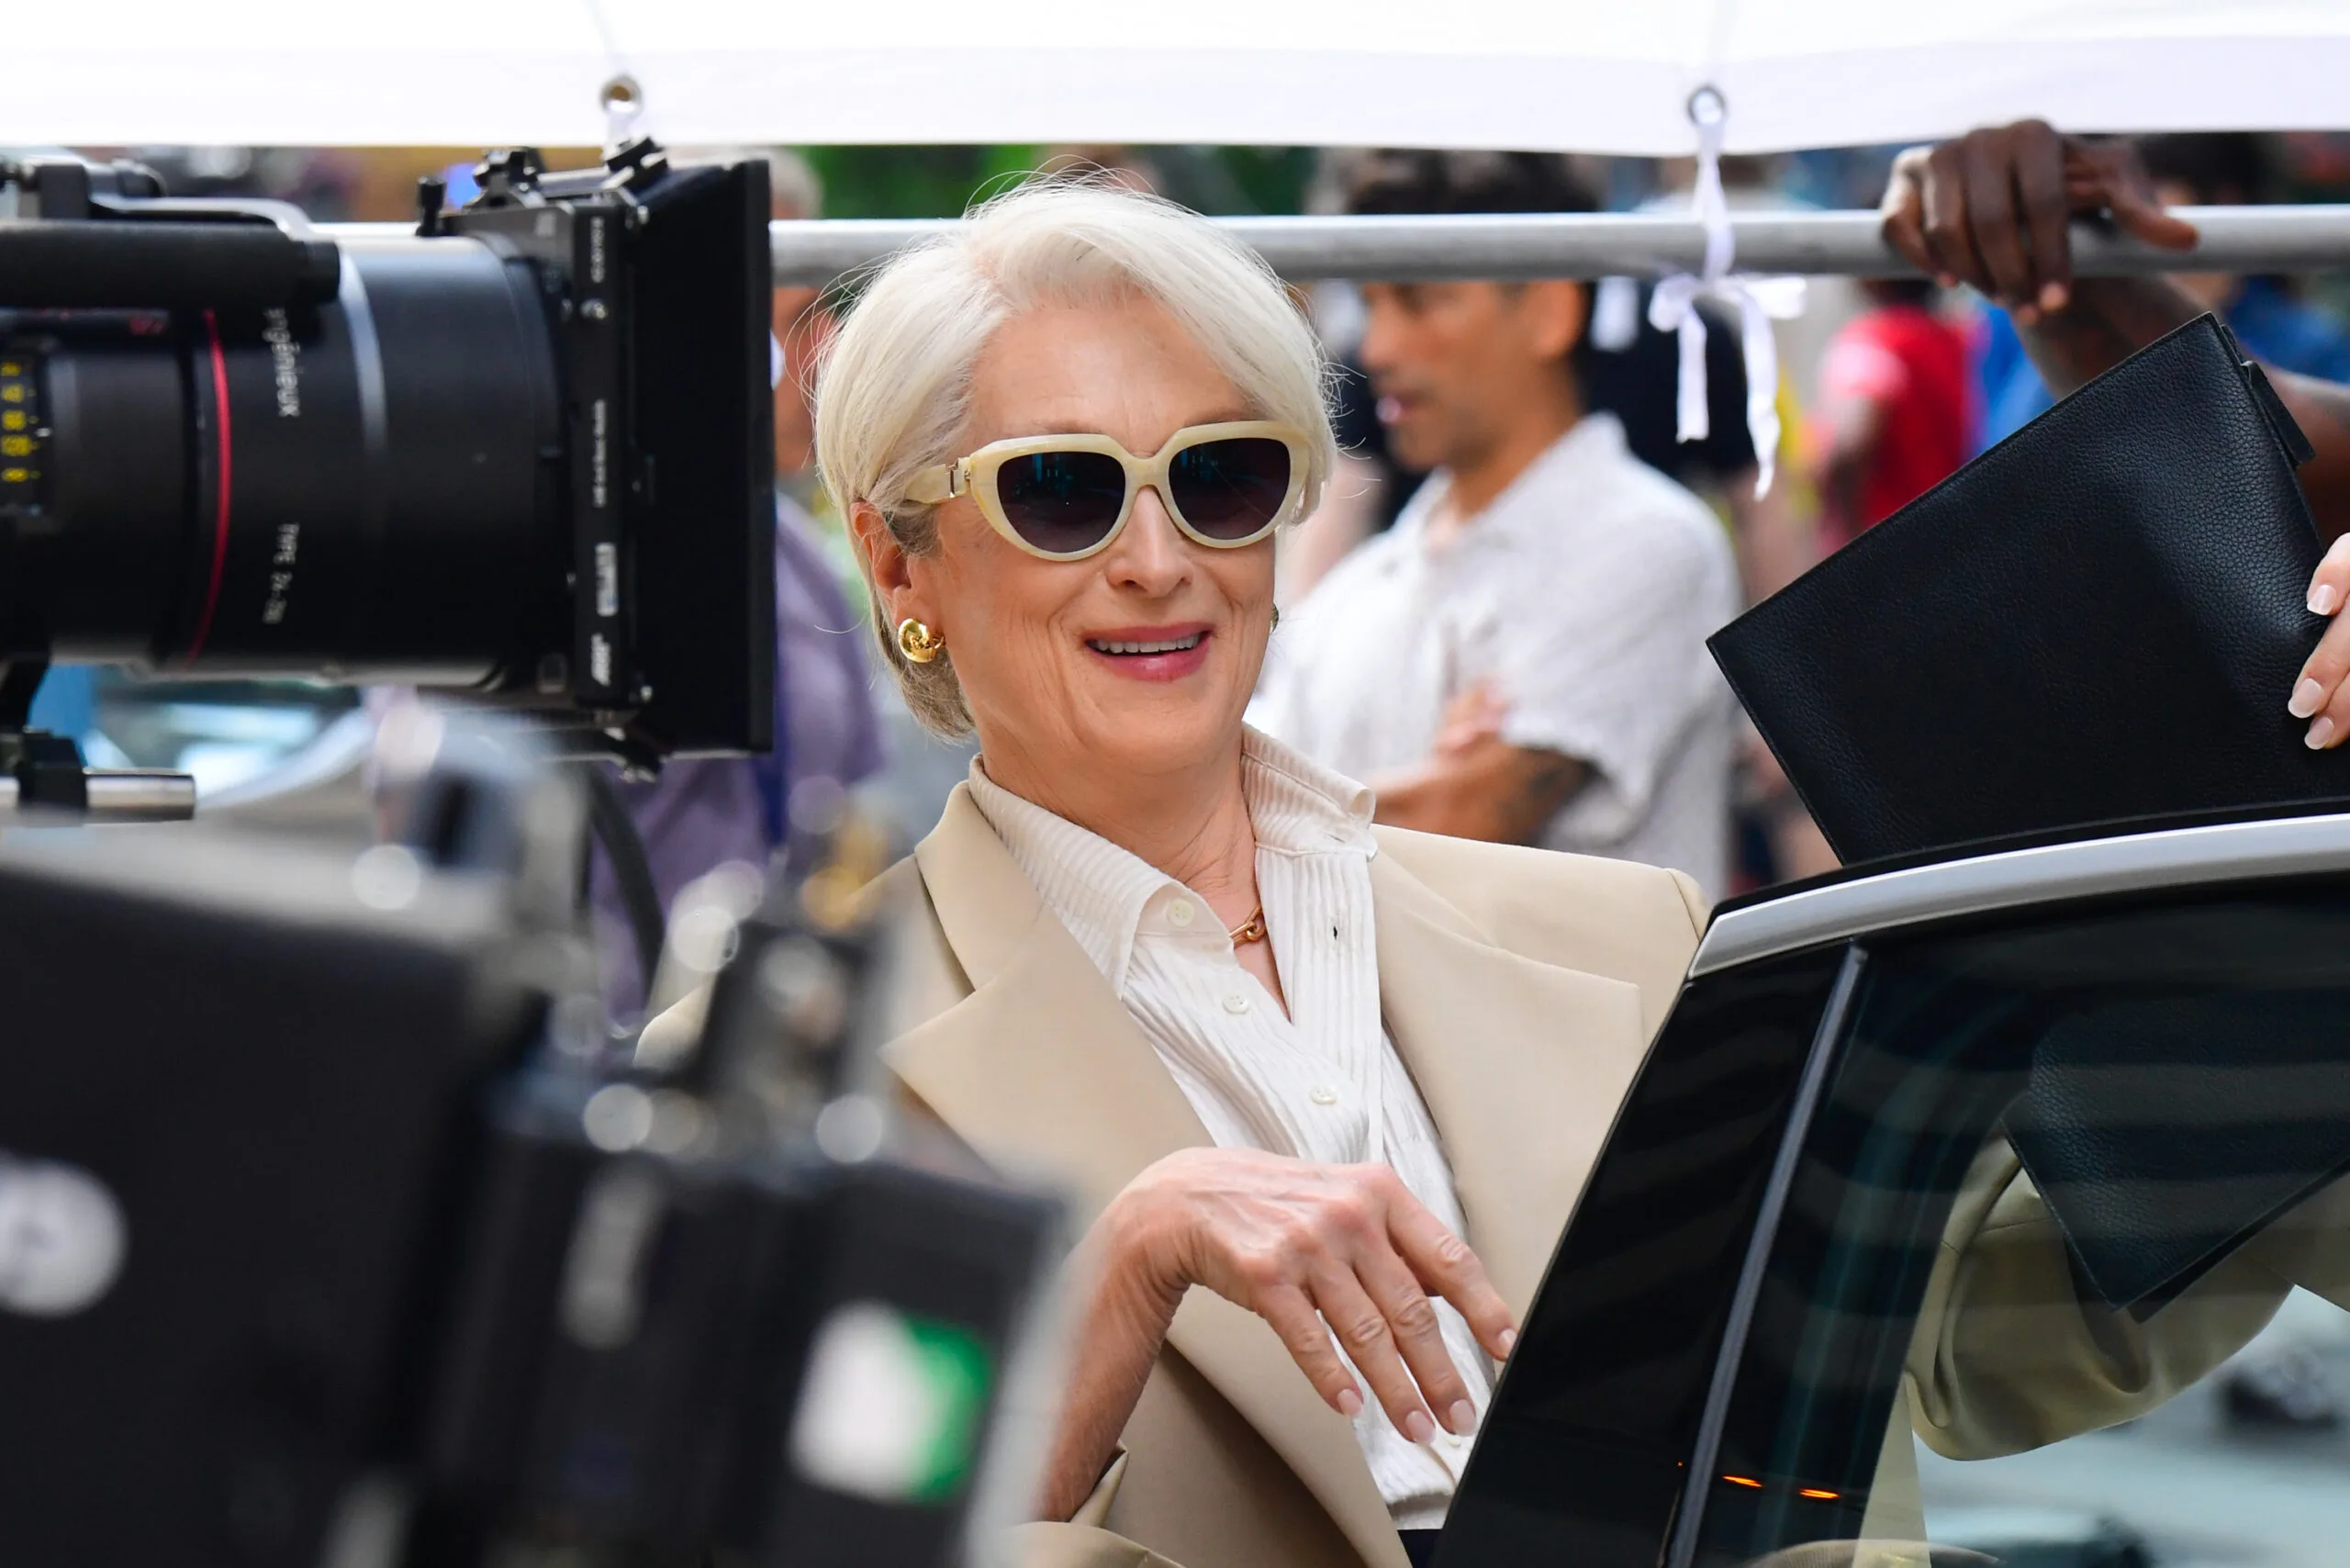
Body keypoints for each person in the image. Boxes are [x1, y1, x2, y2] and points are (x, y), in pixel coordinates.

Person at [627, 176, 2350, 1568]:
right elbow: (765, 1523)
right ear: (899, 561)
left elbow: (1970, 1331)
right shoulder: (786, 1058)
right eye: (1063, 492)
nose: (1157, 558)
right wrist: (1134, 1263)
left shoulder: (1631, 941)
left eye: (1221, 478)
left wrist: (2294, 910)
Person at [1250, 151, 1744, 900]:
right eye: (1372, 304)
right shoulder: (1355, 591)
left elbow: (1455, 817)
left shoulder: (1651, 545)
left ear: (1549, 311)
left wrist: (1253, 798)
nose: (1378, 349)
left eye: (1419, 302)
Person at [1871, 121, 2350, 751]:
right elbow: (2227, 433)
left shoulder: (2307, 339)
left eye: (2154, 205)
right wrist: (2042, 229)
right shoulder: (2009, 334)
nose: (2133, 234)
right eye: (2124, 213)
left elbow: (2263, 460)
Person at [584, 150, 886, 1014]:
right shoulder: (549, 563)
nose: (827, 356)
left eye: (826, 314)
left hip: (747, 1054)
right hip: (597, 1054)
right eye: (793, 316)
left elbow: (855, 824)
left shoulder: (792, 550)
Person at [1969, 132, 2350, 454]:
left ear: (2222, 204)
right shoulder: (2022, 314)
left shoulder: (2307, 342)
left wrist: (2185, 322)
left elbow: (2296, 476)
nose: (2117, 216)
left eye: (2147, 198)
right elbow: (2002, 457)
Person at [1809, 277, 1974, 550]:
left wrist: (1852, 541)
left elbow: (1848, 447)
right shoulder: (1964, 338)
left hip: (1892, 546)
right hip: (1957, 532)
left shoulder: (1872, 343)